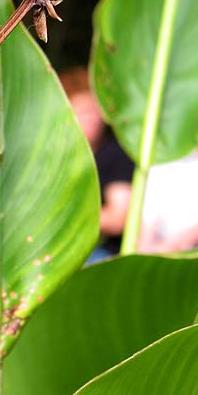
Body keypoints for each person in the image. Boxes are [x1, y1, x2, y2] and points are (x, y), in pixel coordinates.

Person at [60, 68, 134, 262]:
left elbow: (118, 218)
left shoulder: (115, 154)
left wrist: (64, 219)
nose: (91, 119)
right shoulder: (57, 154)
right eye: (83, 112)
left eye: (94, 111)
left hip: (102, 252)